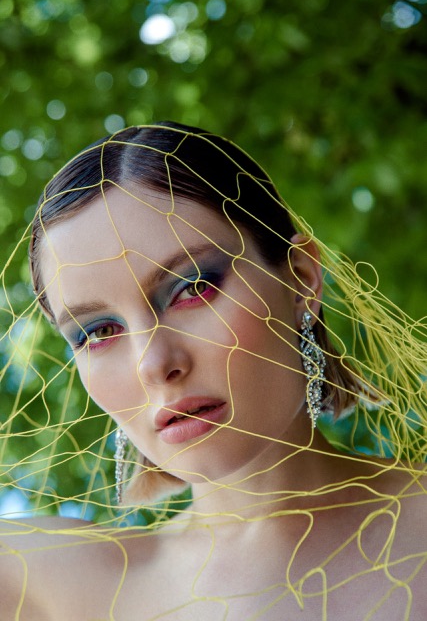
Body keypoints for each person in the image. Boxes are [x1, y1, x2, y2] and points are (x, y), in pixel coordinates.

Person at [1, 121, 426, 620]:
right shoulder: (44, 586)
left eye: (193, 287)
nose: (155, 365)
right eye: (96, 332)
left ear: (301, 281)